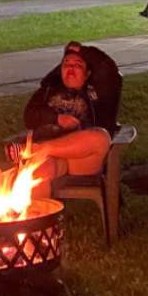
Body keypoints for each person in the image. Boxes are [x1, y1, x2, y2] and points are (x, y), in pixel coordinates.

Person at [14, 41, 120, 198]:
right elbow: (29, 116)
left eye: (77, 65)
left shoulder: (98, 91)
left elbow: (109, 69)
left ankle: (38, 148)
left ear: (87, 73)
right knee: (39, 172)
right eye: (66, 64)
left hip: (83, 158)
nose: (70, 68)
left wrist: (84, 51)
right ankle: (43, 221)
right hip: (53, 157)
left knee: (100, 138)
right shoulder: (48, 89)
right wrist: (56, 118)